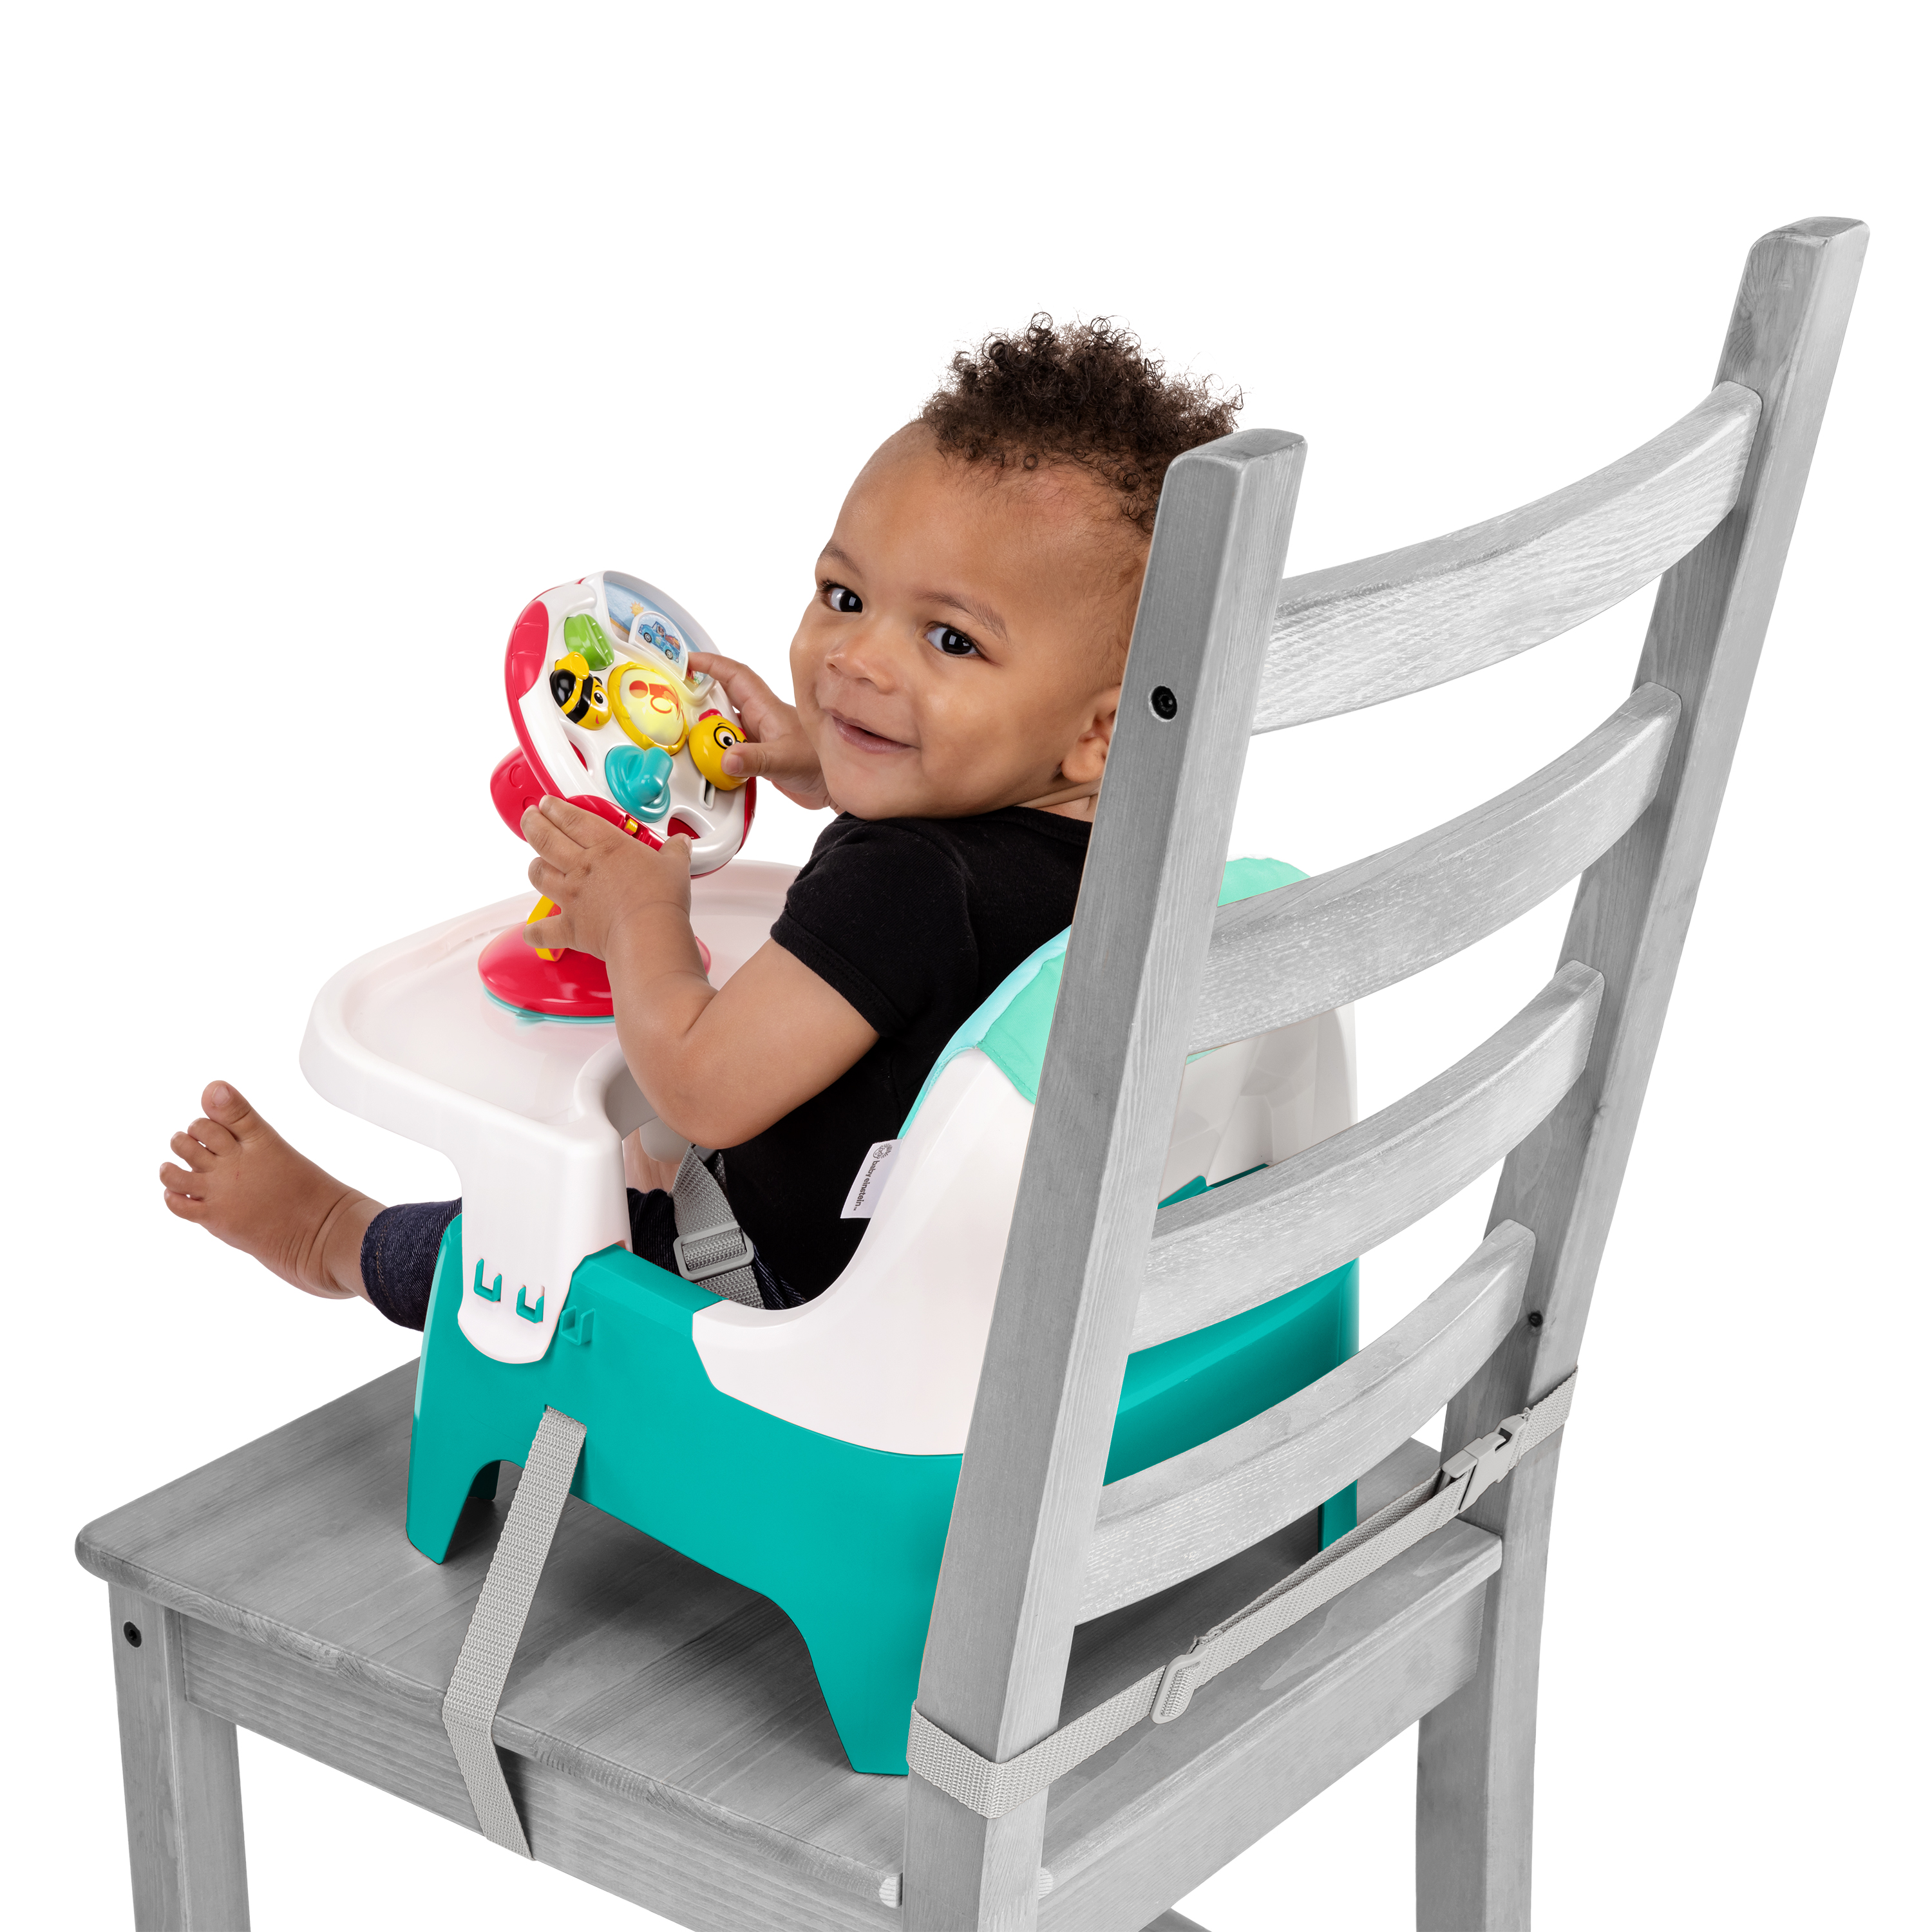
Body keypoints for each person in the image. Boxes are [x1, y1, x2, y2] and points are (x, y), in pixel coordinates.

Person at [159, 317, 1241, 1321]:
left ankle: (335, 1238)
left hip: (778, 1300)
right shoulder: (1132, 843)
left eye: (950, 640)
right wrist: (823, 756)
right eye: (845, 596)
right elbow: (983, 867)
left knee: (535, 1253)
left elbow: (703, 1086)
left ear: (1097, 731)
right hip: (967, 1286)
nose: (856, 659)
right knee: (633, 1144)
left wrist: (640, 919)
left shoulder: (903, 880)